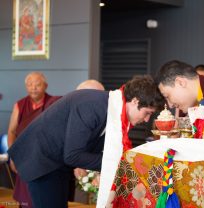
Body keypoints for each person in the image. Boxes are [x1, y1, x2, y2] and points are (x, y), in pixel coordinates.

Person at [8, 75, 164, 208]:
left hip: (58, 161)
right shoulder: (93, 106)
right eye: (147, 113)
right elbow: (73, 155)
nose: (146, 119)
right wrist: (117, 162)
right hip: (41, 160)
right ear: (136, 101)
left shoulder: (111, 108)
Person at [7, 72, 61, 208]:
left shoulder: (54, 103)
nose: (33, 88)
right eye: (30, 85)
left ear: (45, 86)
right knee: (26, 198)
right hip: (24, 157)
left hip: (46, 158)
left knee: (46, 198)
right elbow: (12, 131)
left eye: (37, 84)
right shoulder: (20, 105)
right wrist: (13, 156)